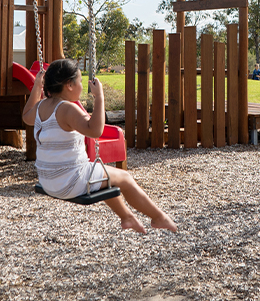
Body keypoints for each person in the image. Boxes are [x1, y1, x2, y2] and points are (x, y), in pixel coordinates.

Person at [23, 59, 177, 234]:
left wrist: (37, 86)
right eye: (80, 81)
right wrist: (99, 97)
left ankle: (127, 217)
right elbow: (95, 130)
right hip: (69, 182)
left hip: (47, 180)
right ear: (69, 85)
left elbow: (27, 116)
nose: (82, 86)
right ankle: (159, 217)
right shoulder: (68, 109)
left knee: (103, 177)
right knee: (125, 178)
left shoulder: (41, 106)